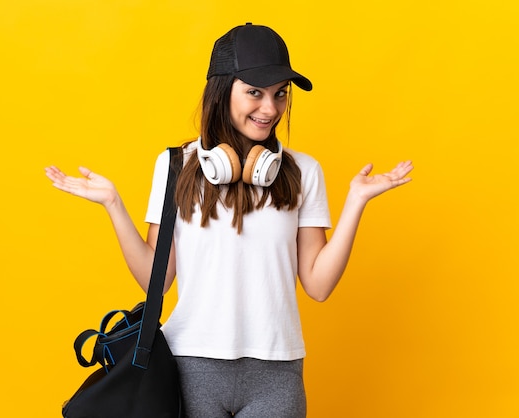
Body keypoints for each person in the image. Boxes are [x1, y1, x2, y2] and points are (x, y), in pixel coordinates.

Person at [46, 22, 413, 418]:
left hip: (277, 373)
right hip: (191, 367)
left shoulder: (304, 171)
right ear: (222, 91)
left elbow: (319, 285)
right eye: (255, 92)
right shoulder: (176, 166)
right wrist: (114, 204)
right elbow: (157, 277)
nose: (270, 108)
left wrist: (356, 202)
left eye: (280, 94)